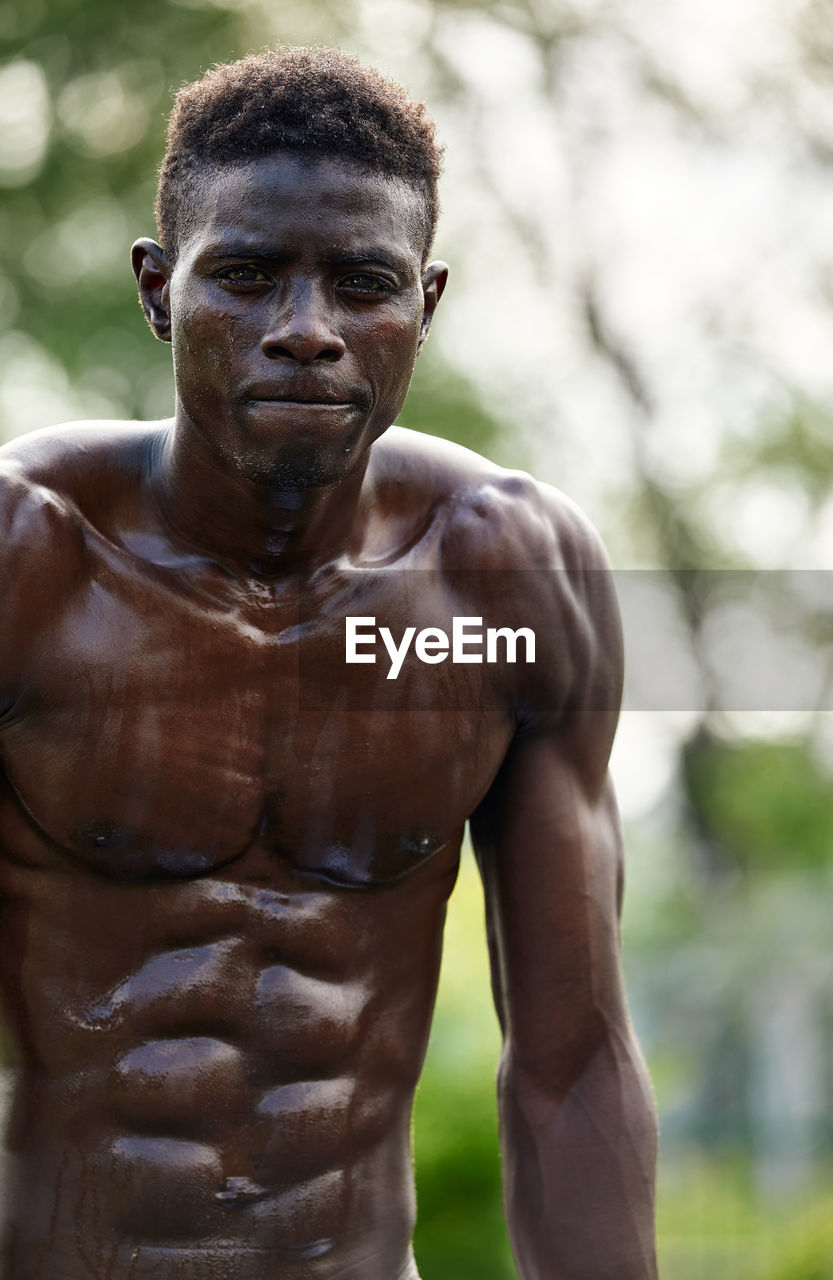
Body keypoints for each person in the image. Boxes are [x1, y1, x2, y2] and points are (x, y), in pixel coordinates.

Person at [0, 46, 658, 1280]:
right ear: (158, 290)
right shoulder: (30, 560)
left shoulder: (505, 578)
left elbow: (572, 1064)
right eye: (245, 277)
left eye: (363, 284)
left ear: (426, 303)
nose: (306, 333)